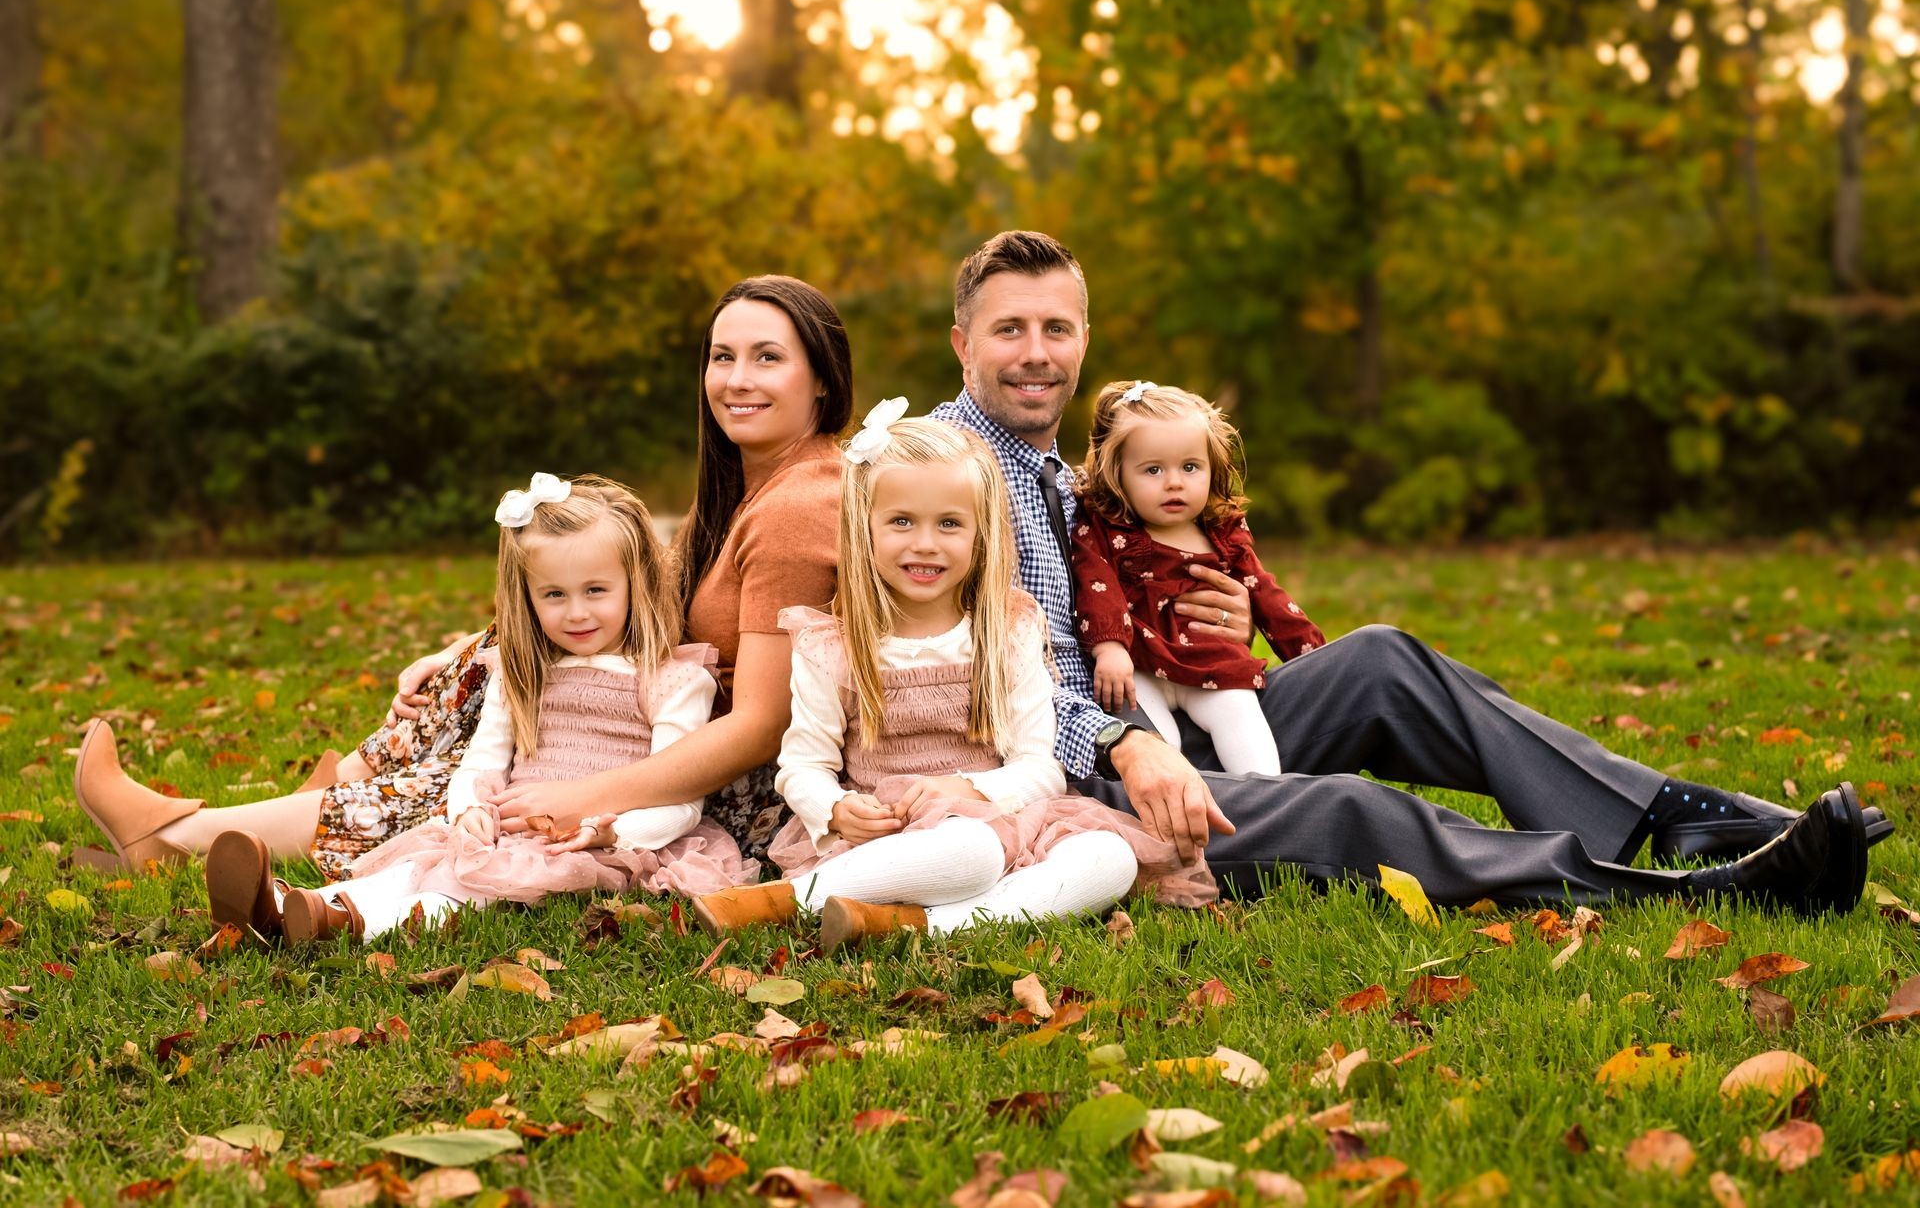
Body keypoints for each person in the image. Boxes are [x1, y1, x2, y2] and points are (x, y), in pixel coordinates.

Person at [930, 229, 1889, 914]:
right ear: (964, 345)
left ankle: (1677, 812)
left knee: (1381, 658)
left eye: (1056, 328)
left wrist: (1216, 629)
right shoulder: (938, 471)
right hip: (1064, 781)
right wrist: (1121, 738)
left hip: (1169, 721)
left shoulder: (1073, 472)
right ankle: (1667, 894)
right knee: (1347, 809)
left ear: (1085, 340)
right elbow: (963, 672)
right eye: (1009, 330)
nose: (1036, 354)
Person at [73, 275, 854, 884]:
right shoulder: (752, 485)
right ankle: (260, 816)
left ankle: (185, 835)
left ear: (821, 380)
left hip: (715, 776)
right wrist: (459, 651)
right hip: (649, 717)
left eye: (768, 357)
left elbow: (759, 726)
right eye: (723, 356)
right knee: (493, 671)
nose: (736, 379)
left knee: (476, 773)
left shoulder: (796, 507)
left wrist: (588, 796)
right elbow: (642, 610)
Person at [690, 413, 1209, 952]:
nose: (926, 544)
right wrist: (835, 809)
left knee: (1110, 858)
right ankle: (791, 898)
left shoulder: (1007, 632)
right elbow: (805, 764)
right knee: (970, 852)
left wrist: (970, 790)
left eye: (949, 524)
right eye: (901, 522)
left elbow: (1040, 766)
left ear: (980, 533)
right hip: (894, 837)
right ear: (862, 527)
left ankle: (922, 926)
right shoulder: (833, 647)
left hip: (1006, 818)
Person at [206, 476, 756, 942]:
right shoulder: (519, 670)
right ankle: (286, 905)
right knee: (424, 862)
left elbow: (680, 800)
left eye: (596, 590)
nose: (576, 613)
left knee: (468, 888)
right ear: (527, 597)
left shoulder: (672, 679)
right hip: (508, 826)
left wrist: (606, 831)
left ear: (635, 584)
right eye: (554, 595)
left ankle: (347, 922)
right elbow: (483, 761)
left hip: (602, 842)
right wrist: (468, 808)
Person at [1071, 379, 1323, 775]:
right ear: (1118, 474)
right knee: (1156, 744)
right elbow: (1096, 587)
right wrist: (1109, 649)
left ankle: (1265, 797)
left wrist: (1313, 657)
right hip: (1137, 662)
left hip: (1209, 661)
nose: (1174, 482)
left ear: (1212, 468)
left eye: (1190, 467)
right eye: (1153, 469)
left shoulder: (1223, 535)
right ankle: (1179, 805)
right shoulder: (1107, 531)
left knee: (1241, 718)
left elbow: (1268, 597)